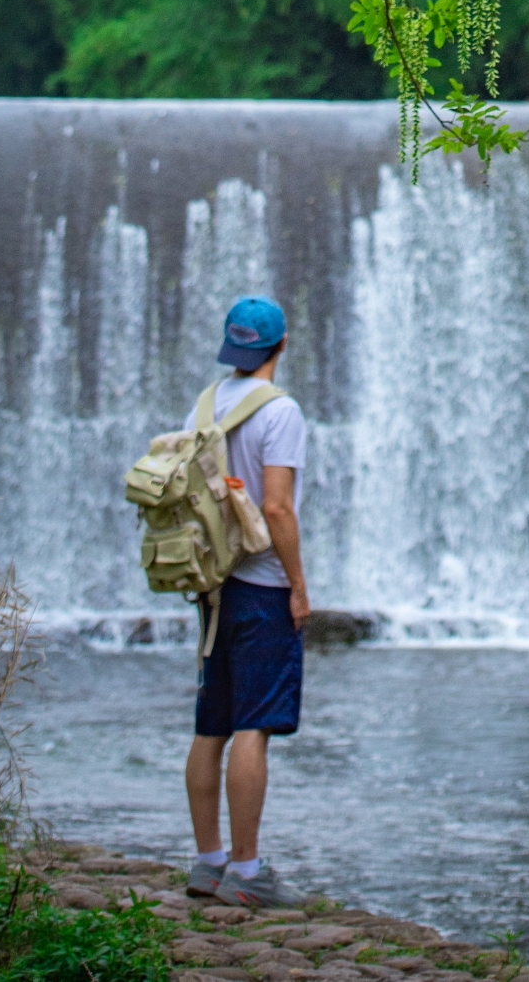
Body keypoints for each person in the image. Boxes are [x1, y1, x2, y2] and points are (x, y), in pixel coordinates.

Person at [182, 294, 311, 909]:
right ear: (281, 345)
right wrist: (299, 588)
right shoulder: (279, 411)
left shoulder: (205, 403)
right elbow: (278, 507)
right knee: (252, 727)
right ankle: (249, 871)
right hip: (261, 586)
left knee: (211, 727)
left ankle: (208, 864)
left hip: (211, 586)